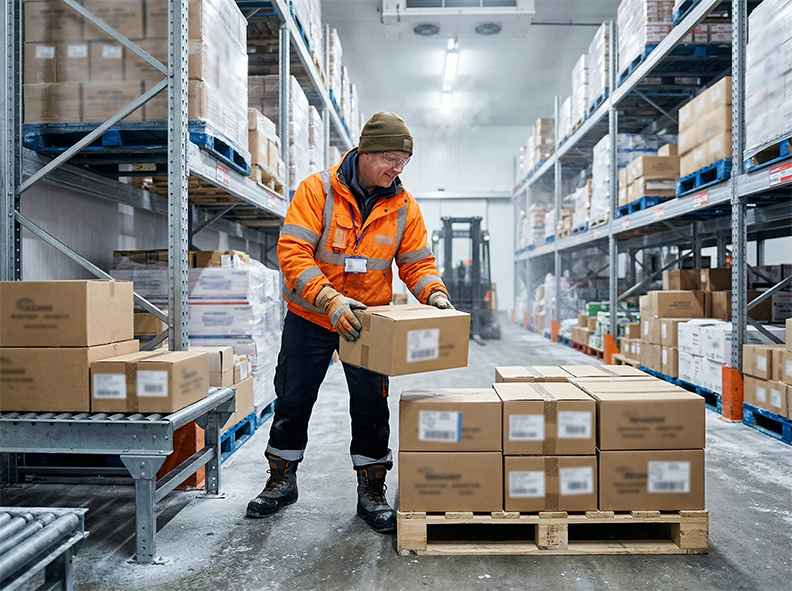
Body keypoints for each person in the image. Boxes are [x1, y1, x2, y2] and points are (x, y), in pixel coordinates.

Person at [246, 111, 453, 534]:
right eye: (392, 159)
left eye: (404, 163)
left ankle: (371, 492)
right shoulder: (317, 190)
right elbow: (293, 253)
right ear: (366, 152)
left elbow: (417, 262)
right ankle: (281, 481)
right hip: (312, 315)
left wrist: (435, 293)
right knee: (293, 399)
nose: (397, 170)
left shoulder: (403, 206)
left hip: (369, 322)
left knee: (372, 406)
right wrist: (329, 299)